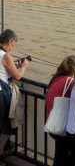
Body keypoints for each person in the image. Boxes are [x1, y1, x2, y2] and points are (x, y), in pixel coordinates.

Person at [45, 55, 75, 166]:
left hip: (52, 122)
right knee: (67, 157)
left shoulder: (56, 79)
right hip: (63, 126)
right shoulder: (71, 82)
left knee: (60, 154)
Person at [0, 29, 29, 160]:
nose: (13, 47)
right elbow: (17, 76)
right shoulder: (5, 56)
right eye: (14, 44)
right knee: (6, 123)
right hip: (1, 94)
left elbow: (4, 70)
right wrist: (23, 66)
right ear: (10, 41)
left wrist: (14, 65)